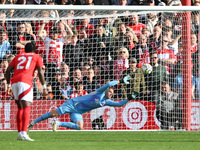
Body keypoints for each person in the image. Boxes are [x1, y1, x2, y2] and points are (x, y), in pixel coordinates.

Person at [28, 80, 129, 132]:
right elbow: (108, 84)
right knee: (53, 114)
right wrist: (118, 81)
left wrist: (129, 98)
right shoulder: (99, 92)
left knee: (80, 127)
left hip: (77, 112)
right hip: (72, 103)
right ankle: (33, 122)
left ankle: (58, 123)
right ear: (107, 91)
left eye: (112, 93)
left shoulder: (106, 101)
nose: (111, 94)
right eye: (110, 92)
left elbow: (120, 104)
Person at [5, 42, 48, 141]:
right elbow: (40, 72)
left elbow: (8, 70)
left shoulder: (18, 56)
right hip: (25, 82)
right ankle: (24, 132)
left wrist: (8, 85)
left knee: (20, 107)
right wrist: (44, 87)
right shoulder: (37, 57)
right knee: (26, 106)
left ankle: (20, 133)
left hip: (14, 82)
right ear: (34, 49)